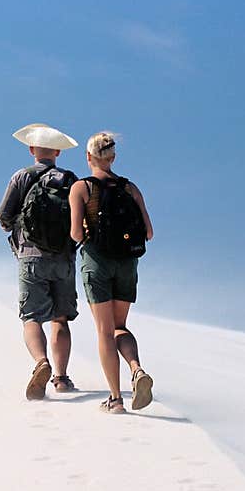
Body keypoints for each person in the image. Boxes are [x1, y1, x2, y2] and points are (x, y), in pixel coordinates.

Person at [69, 132, 155, 414]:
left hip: (97, 261)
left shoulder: (81, 188)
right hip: (127, 264)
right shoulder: (130, 188)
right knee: (121, 327)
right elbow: (149, 232)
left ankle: (116, 399)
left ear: (89, 157)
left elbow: (75, 233)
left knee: (105, 332)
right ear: (113, 158)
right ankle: (137, 368)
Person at [0, 123, 80, 400]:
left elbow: (3, 217)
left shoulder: (21, 176)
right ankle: (61, 377)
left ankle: (41, 362)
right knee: (61, 318)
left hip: (30, 257)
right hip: (64, 259)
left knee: (31, 317)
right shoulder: (71, 179)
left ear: (32, 149)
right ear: (58, 151)